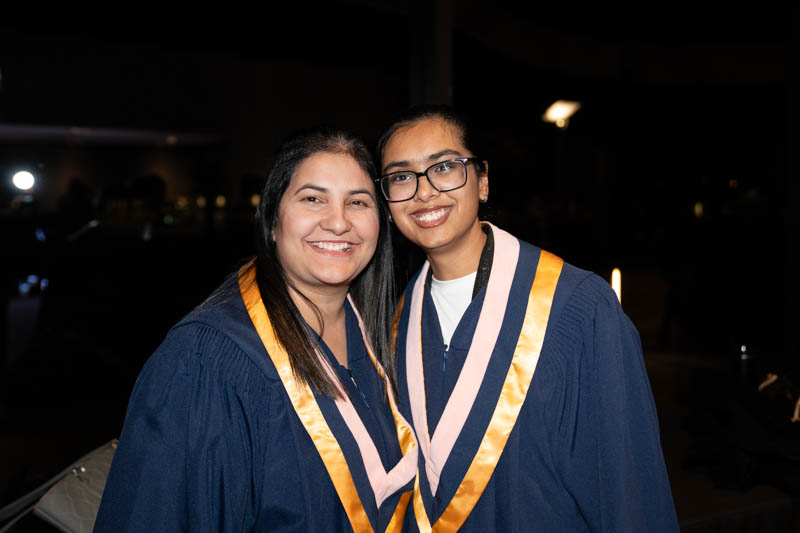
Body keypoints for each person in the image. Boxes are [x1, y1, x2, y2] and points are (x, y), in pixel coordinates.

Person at [95, 128, 418, 532]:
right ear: (272, 220)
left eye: (358, 202)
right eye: (313, 199)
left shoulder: (378, 333)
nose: (338, 222)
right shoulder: (206, 361)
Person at [376, 106, 679, 532]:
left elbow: (628, 490)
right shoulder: (395, 324)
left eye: (444, 167)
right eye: (402, 176)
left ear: (482, 180)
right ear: (387, 202)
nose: (424, 191)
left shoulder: (577, 308)